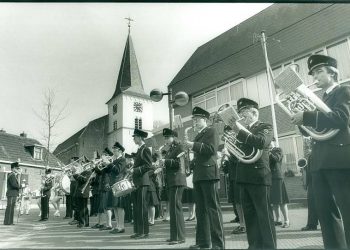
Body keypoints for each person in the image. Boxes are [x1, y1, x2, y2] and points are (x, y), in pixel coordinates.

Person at [291, 54, 350, 248]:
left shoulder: (344, 91)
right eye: (313, 73)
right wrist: (301, 121)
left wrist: (306, 116)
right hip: (319, 162)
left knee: (348, 212)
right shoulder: (320, 98)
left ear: (332, 73)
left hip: (339, 160)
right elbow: (315, 130)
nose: (315, 76)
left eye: (319, 71)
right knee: (326, 215)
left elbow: (341, 118)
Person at [231, 98, 276, 249]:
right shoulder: (241, 132)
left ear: (254, 113)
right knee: (250, 217)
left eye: (244, 113)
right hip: (243, 176)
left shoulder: (265, 126)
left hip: (259, 176)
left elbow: (261, 142)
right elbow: (237, 154)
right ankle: (254, 246)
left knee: (264, 216)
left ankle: (269, 247)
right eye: (240, 113)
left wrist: (240, 132)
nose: (241, 116)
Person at [184, 106, 225, 249]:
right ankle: (204, 242)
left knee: (213, 210)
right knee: (201, 210)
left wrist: (193, 145)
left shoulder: (212, 130)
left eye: (197, 119)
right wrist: (190, 161)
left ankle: (218, 245)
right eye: (193, 119)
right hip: (199, 175)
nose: (194, 121)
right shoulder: (198, 135)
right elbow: (200, 153)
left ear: (205, 120)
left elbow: (211, 149)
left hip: (209, 174)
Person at [158, 128, 187, 245]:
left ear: (173, 137)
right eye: (164, 138)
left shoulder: (179, 147)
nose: (165, 140)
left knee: (175, 209)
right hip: (172, 181)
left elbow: (180, 164)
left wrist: (165, 162)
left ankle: (179, 237)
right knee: (173, 209)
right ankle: (174, 235)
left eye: (167, 137)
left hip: (177, 180)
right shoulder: (170, 149)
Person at [128, 128, 153, 239]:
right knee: (137, 208)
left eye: (135, 137)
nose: (134, 139)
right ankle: (138, 231)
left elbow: (149, 166)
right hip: (138, 182)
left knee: (142, 208)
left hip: (143, 182)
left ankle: (144, 232)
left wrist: (135, 170)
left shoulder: (145, 149)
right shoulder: (140, 149)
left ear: (140, 137)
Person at [220, 135, 246, 235]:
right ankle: (242, 224)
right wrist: (224, 161)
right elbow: (227, 168)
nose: (228, 140)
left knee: (241, 202)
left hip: (239, 177)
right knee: (237, 202)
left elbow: (240, 160)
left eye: (230, 137)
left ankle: (245, 224)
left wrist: (229, 155)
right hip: (232, 178)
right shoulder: (230, 150)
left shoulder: (239, 147)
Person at [105, 142, 128, 234]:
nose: (113, 151)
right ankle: (118, 225)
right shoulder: (114, 160)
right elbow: (108, 171)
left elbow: (118, 170)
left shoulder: (122, 160)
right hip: (113, 185)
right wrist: (105, 164)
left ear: (120, 151)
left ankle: (121, 226)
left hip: (119, 184)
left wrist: (109, 164)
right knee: (115, 206)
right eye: (113, 149)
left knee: (119, 206)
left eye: (115, 149)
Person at [269, 138, 290, 228]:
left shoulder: (278, 150)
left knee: (282, 201)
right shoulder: (265, 151)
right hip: (269, 178)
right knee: (274, 201)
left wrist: (269, 151)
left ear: (273, 142)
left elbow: (276, 159)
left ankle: (287, 221)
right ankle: (278, 219)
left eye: (270, 141)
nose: (268, 143)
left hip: (277, 178)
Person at [73, 160, 92, 228]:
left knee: (83, 208)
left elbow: (83, 180)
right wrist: (76, 173)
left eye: (84, 164)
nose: (83, 165)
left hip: (83, 192)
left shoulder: (89, 172)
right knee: (82, 208)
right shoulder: (83, 172)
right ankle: (85, 222)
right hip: (79, 192)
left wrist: (76, 174)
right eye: (82, 164)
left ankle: (83, 222)